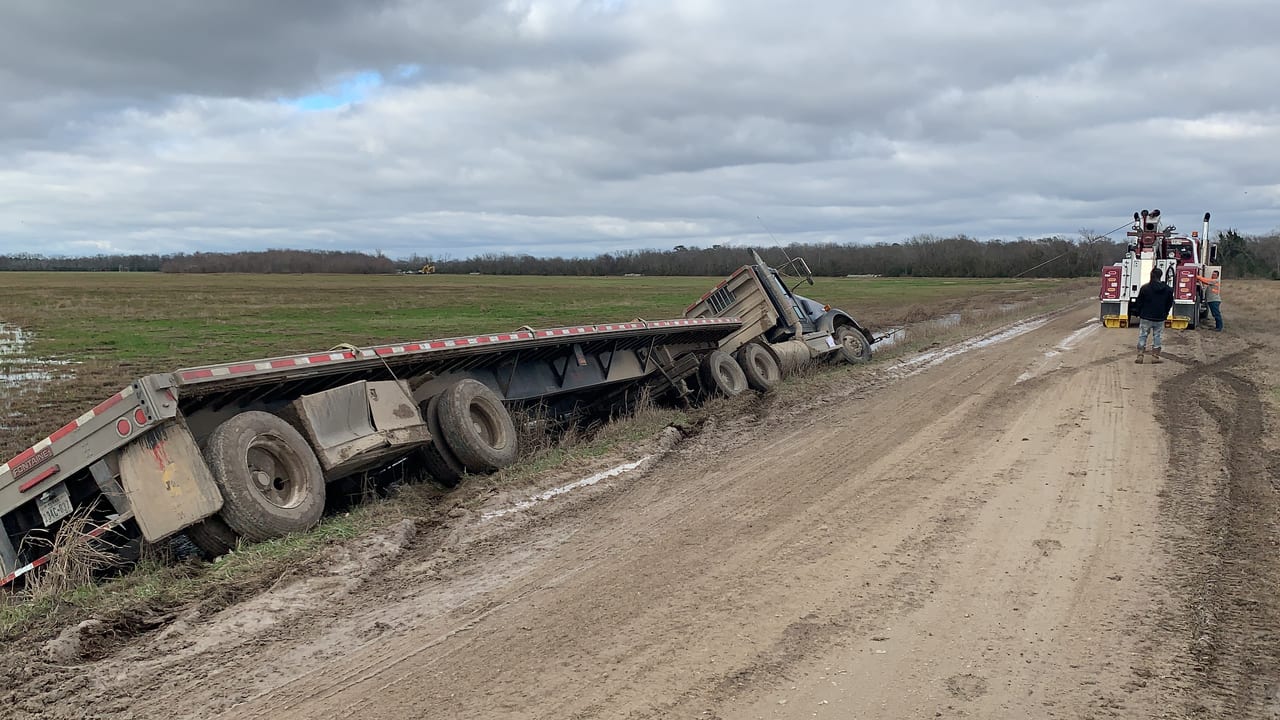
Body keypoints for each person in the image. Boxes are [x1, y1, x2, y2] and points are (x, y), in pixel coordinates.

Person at [1132, 267, 1174, 364]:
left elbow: (1139, 302)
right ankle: (1155, 357)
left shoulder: (1145, 288)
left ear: (1151, 275)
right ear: (1161, 276)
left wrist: (1138, 313)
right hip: (1159, 317)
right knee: (1157, 336)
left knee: (1143, 335)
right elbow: (1169, 303)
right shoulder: (1168, 289)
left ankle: (1140, 355)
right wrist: (1165, 313)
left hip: (1146, 316)